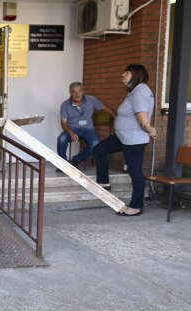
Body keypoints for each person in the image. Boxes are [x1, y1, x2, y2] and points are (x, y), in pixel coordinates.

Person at [93, 64, 156, 216]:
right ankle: (104, 182)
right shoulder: (133, 92)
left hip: (133, 140)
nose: (122, 75)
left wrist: (151, 130)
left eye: (126, 73)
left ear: (134, 74)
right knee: (99, 150)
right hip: (123, 137)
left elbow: (143, 119)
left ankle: (136, 207)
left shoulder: (141, 92)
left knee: (135, 172)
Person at [56, 82, 116, 171]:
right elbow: (64, 123)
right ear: (70, 92)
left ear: (83, 91)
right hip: (72, 129)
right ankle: (62, 164)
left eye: (79, 91)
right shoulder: (65, 105)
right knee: (61, 139)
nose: (77, 94)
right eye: (74, 92)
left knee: (95, 143)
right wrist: (71, 133)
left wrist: (115, 117)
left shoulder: (91, 100)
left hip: (88, 130)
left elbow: (105, 108)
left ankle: (77, 159)